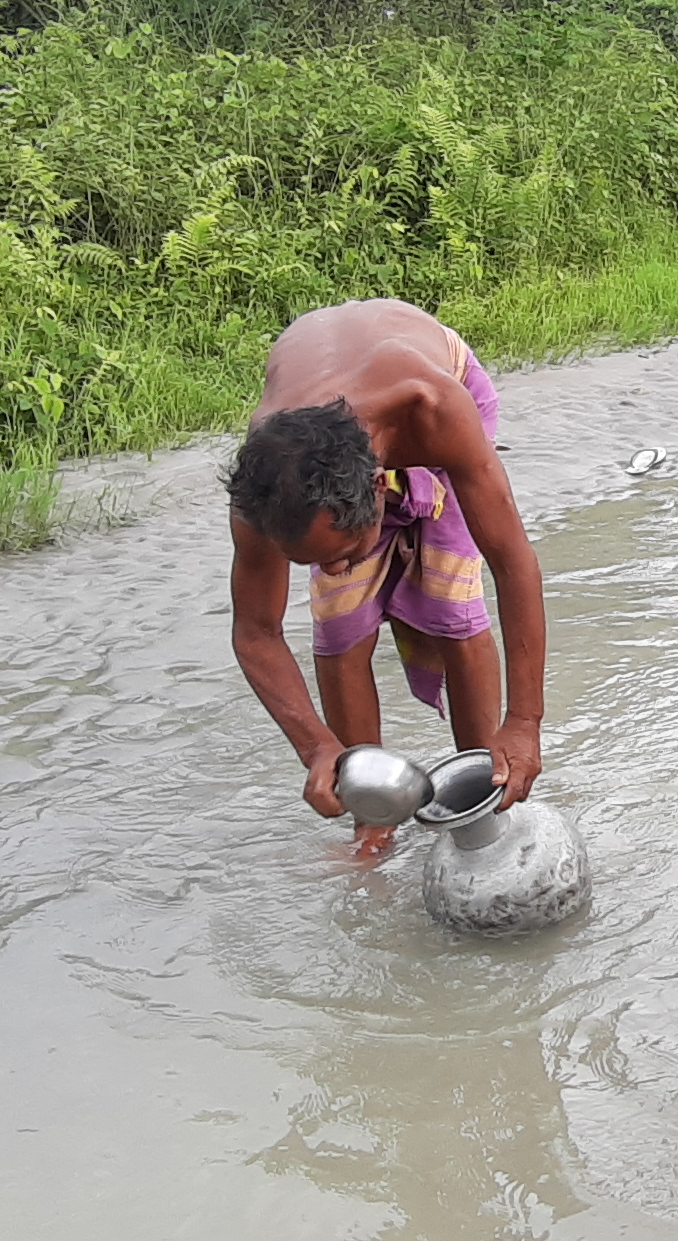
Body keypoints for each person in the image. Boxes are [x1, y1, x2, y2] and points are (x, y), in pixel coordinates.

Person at [224, 298, 547, 848]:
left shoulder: (434, 407)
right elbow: (256, 631)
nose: (333, 566)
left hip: (432, 380)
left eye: (343, 549)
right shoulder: (264, 489)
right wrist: (318, 747)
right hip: (318, 421)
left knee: (452, 601)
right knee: (340, 617)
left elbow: (512, 562)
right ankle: (372, 817)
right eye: (313, 560)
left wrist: (524, 722)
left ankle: (482, 794)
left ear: (379, 489)